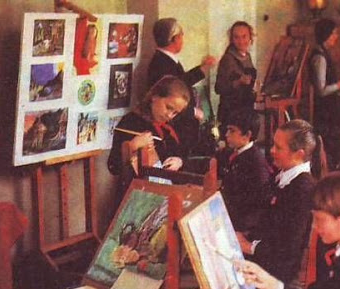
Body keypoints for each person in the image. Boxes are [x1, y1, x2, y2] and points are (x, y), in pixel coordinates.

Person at [236, 119, 324, 283]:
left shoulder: (302, 190)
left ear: (299, 154)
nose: (272, 151)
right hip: (265, 257)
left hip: (277, 273)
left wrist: (249, 247)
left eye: (278, 147)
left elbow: (289, 247)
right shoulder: (284, 176)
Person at [107, 76, 190, 199]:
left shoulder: (169, 128)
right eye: (168, 107)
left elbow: (181, 154)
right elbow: (113, 166)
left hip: (164, 194)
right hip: (135, 197)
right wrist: (133, 146)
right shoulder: (130, 121)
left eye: (175, 113)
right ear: (154, 97)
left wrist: (179, 161)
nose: (170, 115)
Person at [148, 18, 217, 154]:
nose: (182, 38)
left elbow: (181, 81)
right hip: (176, 127)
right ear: (174, 38)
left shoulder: (166, 59)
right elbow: (172, 94)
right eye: (181, 35)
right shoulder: (161, 63)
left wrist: (203, 68)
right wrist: (193, 111)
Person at [310, 18, 340, 168]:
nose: (336, 36)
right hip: (325, 112)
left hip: (330, 107)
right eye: (334, 33)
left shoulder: (324, 53)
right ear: (327, 35)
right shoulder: (319, 57)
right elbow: (321, 90)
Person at [220, 109, 272, 232]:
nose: (226, 134)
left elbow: (259, 205)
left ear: (247, 135)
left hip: (242, 226)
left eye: (232, 131)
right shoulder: (235, 152)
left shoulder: (256, 164)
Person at [215, 21, 257, 130]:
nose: (241, 41)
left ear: (250, 37)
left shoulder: (247, 56)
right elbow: (219, 88)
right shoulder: (228, 59)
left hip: (245, 110)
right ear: (232, 39)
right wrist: (238, 82)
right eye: (236, 37)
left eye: (244, 36)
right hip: (231, 113)